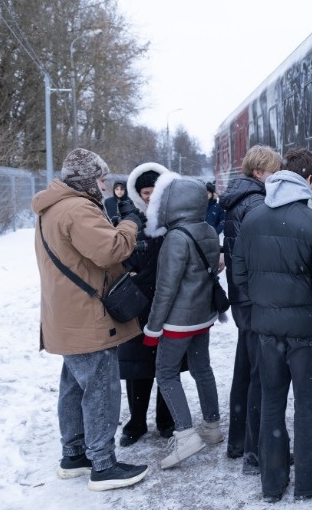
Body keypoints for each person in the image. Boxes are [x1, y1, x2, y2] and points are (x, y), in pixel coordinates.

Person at [32, 147, 149, 491]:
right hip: (86, 315)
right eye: (101, 179)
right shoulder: (78, 208)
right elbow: (111, 250)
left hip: (66, 314)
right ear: (87, 181)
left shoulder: (52, 208)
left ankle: (74, 455)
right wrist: (130, 223)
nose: (104, 185)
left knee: (73, 385)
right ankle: (103, 464)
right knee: (100, 389)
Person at [231, 148, 312, 502]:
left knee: (272, 401)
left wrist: (264, 303)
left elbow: (239, 273)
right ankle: (309, 479)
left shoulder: (252, 218)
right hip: (306, 331)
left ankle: (272, 482)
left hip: (266, 329)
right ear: (307, 181)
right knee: (307, 404)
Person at [141, 173, 225, 469]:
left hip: (178, 322)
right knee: (202, 369)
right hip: (203, 317)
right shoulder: (208, 230)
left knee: (165, 373)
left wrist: (153, 328)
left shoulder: (176, 238)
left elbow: (166, 289)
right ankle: (213, 427)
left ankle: (186, 433)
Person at [218, 144, 282, 474]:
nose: (277, 176)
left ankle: (238, 442)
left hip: (242, 298)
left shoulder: (238, 200)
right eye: (273, 171)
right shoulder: (256, 202)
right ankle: (256, 453)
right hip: (254, 299)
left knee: (245, 370)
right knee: (261, 375)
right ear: (259, 173)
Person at [117, 162, 175, 447]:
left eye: (154, 190)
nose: (150, 196)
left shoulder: (172, 218)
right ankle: (136, 422)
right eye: (145, 191)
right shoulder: (130, 219)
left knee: (166, 366)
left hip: (167, 303)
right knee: (137, 368)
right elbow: (122, 260)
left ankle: (166, 420)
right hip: (138, 307)